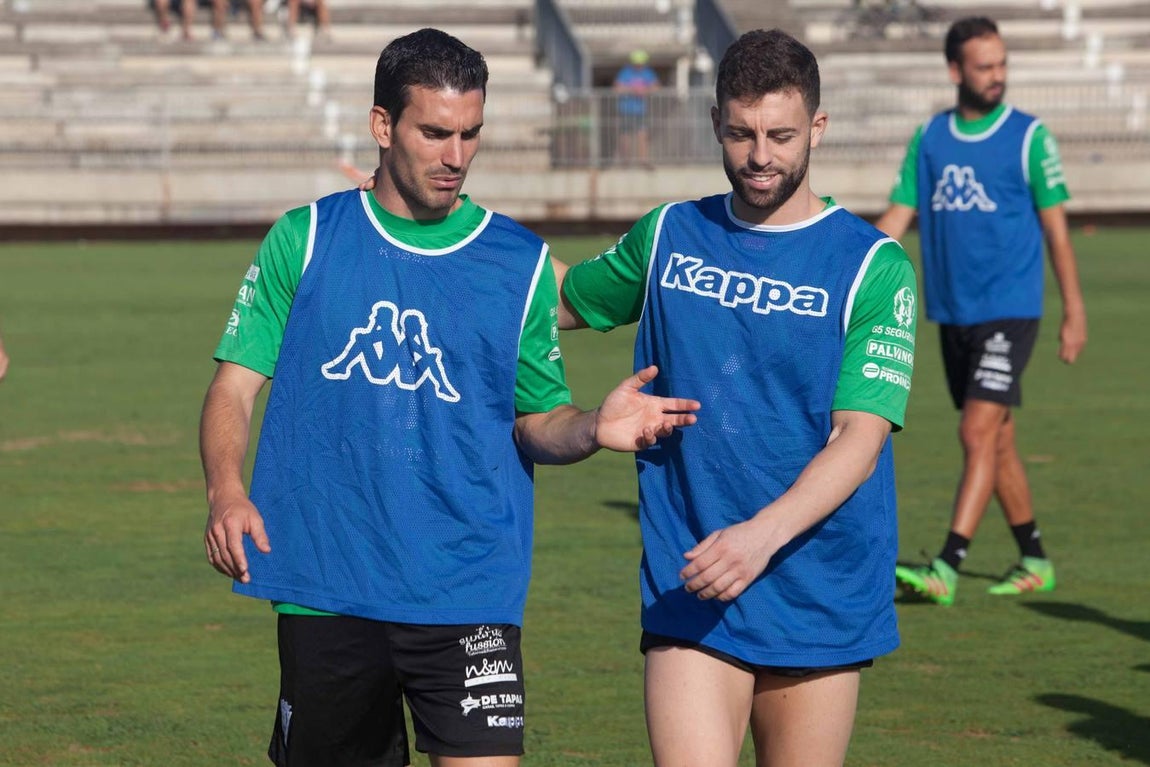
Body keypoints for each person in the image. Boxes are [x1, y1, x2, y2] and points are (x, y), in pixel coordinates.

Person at [199, 27, 699, 767]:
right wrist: (226, 491)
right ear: (382, 126)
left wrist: (593, 425)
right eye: (435, 132)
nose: (456, 156)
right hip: (329, 584)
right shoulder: (304, 240)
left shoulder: (518, 261)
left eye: (470, 134)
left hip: (470, 587)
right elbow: (233, 388)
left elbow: (536, 423)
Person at [554, 28, 918, 767]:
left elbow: (860, 436)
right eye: (739, 133)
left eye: (781, 135)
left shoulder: (872, 267)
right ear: (716, 122)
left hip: (817, 584)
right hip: (692, 580)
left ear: (817, 126)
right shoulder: (669, 236)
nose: (759, 156)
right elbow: (559, 299)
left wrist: (760, 536)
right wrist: (450, 226)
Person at [875, 16, 1087, 606]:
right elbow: (897, 217)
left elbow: (1058, 233)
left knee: (975, 432)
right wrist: (847, 263)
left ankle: (946, 565)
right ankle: (1035, 556)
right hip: (953, 315)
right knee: (997, 442)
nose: (997, 76)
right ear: (955, 71)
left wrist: (1074, 310)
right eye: (984, 66)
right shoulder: (930, 139)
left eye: (1002, 64)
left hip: (1010, 311)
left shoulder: (1029, 138)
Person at [613, 49, 659, 166]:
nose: (639, 66)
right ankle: (625, 161)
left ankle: (643, 161)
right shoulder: (625, 72)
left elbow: (656, 87)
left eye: (641, 63)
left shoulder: (647, 72)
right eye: (637, 63)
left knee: (642, 135)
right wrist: (633, 90)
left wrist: (645, 90)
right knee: (625, 136)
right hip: (625, 110)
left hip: (640, 111)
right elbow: (617, 88)